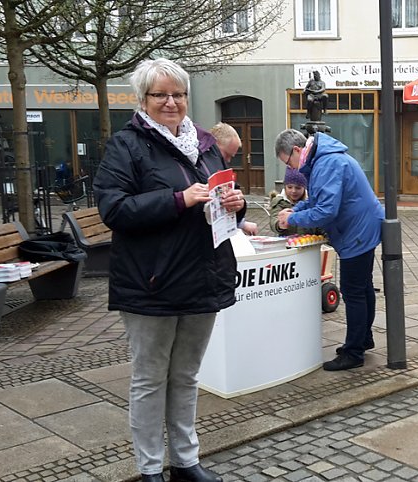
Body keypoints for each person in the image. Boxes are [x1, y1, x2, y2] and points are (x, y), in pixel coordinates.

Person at [94, 58, 246, 482]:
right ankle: (149, 469)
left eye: (178, 94)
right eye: (160, 94)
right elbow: (114, 209)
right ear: (143, 99)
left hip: (203, 276)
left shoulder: (205, 143)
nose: (171, 102)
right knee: (149, 379)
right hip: (152, 281)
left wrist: (236, 205)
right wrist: (180, 200)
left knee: (185, 375)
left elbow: (222, 198)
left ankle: (185, 461)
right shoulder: (126, 145)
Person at [274, 128, 383, 371]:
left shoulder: (327, 163)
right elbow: (318, 201)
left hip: (357, 233)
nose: (292, 169)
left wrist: (291, 220)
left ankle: (353, 352)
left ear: (296, 151)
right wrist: (296, 211)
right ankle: (363, 338)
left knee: (354, 292)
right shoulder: (324, 158)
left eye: (288, 163)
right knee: (363, 288)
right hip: (363, 227)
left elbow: (326, 211)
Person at [211, 122, 257, 235]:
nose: (228, 161)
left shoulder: (223, 168)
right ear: (215, 144)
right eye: (226, 155)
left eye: (231, 156)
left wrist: (240, 204)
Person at [268, 167, 321, 236]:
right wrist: (279, 225)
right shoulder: (279, 201)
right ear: (285, 187)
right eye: (290, 187)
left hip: (309, 243)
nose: (293, 191)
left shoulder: (311, 203)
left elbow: (319, 223)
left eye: (298, 188)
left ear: (304, 188)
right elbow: (274, 220)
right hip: (286, 243)